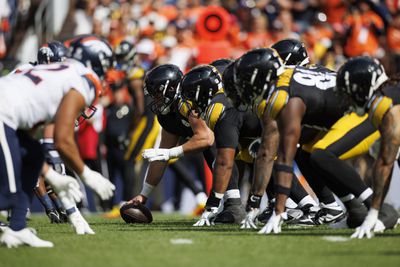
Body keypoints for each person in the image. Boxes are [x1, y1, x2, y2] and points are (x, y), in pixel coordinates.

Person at [234, 47, 380, 234]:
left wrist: (276, 212)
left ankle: (377, 207)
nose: (244, 87)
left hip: (367, 113)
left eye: (246, 81)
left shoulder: (281, 96)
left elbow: (279, 157)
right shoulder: (292, 75)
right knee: (309, 150)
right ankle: (353, 208)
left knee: (321, 155)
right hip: (356, 110)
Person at [0, 35, 115, 248]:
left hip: (7, 112)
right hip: (3, 112)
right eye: (105, 65)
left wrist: (54, 177)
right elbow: (62, 141)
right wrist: (87, 174)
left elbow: (30, 138)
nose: (106, 72)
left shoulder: (53, 73)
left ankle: (17, 228)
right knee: (9, 189)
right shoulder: (83, 79)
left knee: (33, 155)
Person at [127, 64, 213, 213]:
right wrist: (143, 195)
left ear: (171, 89)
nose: (154, 99)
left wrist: (169, 153)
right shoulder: (166, 115)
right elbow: (162, 154)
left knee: (217, 156)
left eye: (157, 94)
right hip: (213, 140)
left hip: (229, 132)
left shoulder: (189, 102)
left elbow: (206, 139)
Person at [335, 56, 398, 238]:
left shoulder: (385, 106)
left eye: (350, 91)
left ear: (363, 87)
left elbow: (386, 162)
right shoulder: (387, 98)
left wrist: (373, 213)